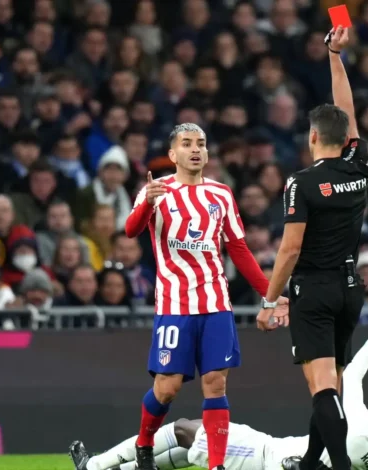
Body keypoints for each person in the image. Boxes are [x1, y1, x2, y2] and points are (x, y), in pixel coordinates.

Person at [123, 123, 289, 470]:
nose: (195, 149)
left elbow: (238, 248)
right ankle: (144, 444)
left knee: (215, 384)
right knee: (167, 389)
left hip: (215, 303)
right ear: (173, 154)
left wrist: (270, 294)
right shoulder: (156, 190)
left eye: (200, 143)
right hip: (174, 305)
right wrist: (146, 205)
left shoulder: (221, 194)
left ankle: (216, 465)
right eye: (186, 144)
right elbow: (131, 230)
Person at [256, 25, 368, 470]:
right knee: (332, 384)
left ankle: (339, 466)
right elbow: (347, 109)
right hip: (350, 289)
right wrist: (334, 57)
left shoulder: (301, 183)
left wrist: (269, 301)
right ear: (345, 138)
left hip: (314, 291)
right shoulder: (358, 165)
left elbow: (289, 250)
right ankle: (309, 463)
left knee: (321, 386)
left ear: (312, 137)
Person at [69, 324, 368, 470]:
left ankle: (94, 466)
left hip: (262, 459)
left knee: (186, 429)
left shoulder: (362, 430)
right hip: (266, 452)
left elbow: (350, 376)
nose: (366, 410)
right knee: (191, 451)